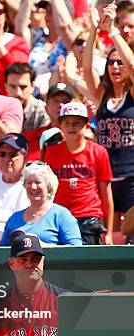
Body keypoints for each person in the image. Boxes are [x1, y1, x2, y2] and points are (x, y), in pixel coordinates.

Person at [83, 5, 134, 236]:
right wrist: (94, 30)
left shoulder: (132, 95)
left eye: (119, 62)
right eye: (111, 62)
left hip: (132, 176)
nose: (116, 66)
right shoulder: (101, 96)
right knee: (112, 237)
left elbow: (132, 64)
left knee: (128, 231)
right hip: (107, 178)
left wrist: (112, 30)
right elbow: (86, 69)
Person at [44, 102, 114, 245]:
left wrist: (109, 233)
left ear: (86, 125)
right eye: (67, 122)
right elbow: (47, 191)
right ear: (60, 125)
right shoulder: (51, 152)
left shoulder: (99, 152)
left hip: (89, 217)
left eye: (77, 123)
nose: (71, 127)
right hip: (59, 216)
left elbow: (106, 195)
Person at [0, 161, 82, 245]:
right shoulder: (14, 218)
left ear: (48, 186)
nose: (33, 187)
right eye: (29, 183)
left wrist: (42, 247)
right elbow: (2, 251)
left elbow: (76, 248)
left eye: (38, 182)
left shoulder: (61, 215)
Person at [5, 63, 50, 133]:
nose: (18, 93)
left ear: (32, 86)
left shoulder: (43, 111)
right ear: (5, 86)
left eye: (23, 87)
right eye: (13, 87)